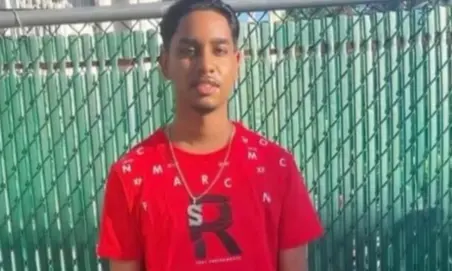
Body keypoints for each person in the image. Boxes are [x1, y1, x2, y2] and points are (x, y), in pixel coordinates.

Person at [95, 0, 324, 270]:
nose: (206, 65)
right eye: (189, 51)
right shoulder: (130, 176)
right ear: (165, 63)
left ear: (237, 62)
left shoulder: (276, 167)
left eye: (219, 50)